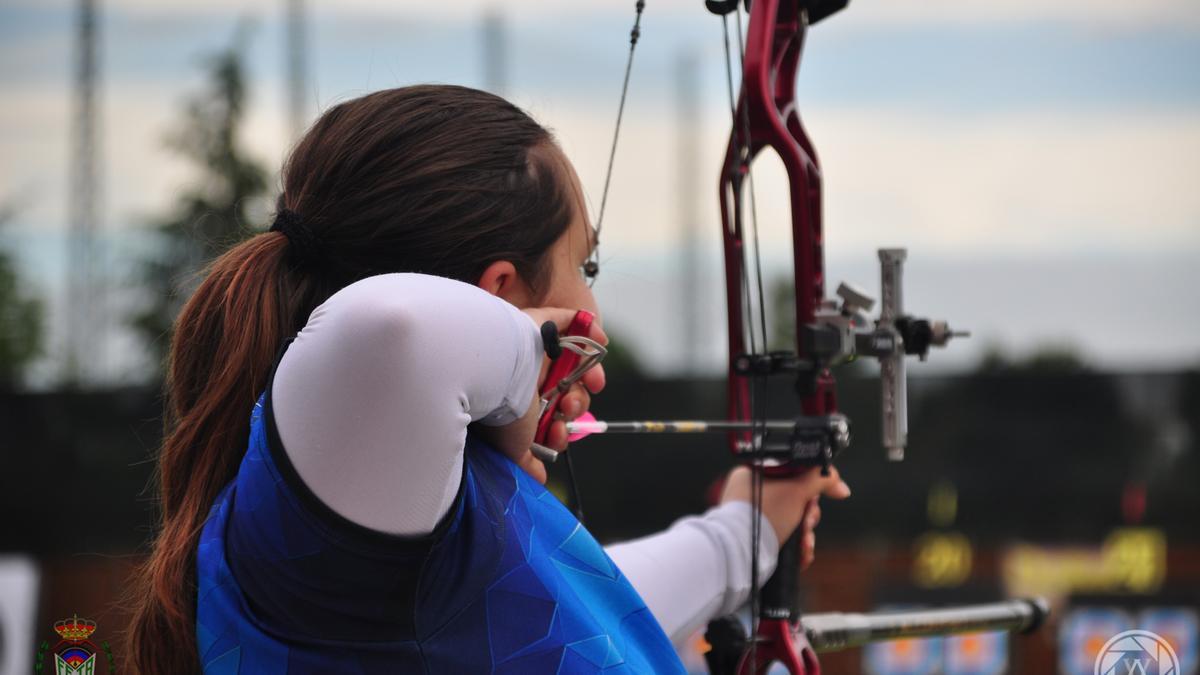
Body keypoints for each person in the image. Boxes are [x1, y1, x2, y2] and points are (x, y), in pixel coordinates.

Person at [125, 85, 851, 674]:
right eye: (585, 266)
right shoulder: (332, 501)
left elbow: (587, 608)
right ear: (501, 292)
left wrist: (750, 526)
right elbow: (395, 327)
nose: (591, 309)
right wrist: (534, 355)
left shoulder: (414, 515)